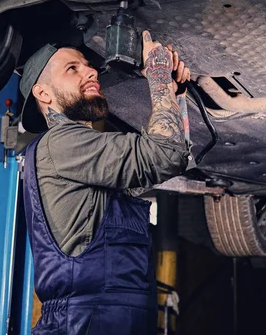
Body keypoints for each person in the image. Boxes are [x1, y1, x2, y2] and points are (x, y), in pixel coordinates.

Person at [19, 30, 191, 334]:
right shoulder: (60, 144)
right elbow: (167, 154)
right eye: (72, 68)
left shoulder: (81, 156)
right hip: (84, 324)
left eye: (87, 64)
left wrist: (175, 96)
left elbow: (169, 160)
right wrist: (158, 72)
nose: (90, 70)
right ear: (43, 94)